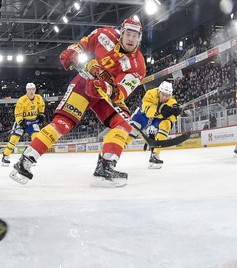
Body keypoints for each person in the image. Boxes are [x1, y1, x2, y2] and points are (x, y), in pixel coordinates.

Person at [10, 17, 146, 187]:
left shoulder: (138, 65)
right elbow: (86, 43)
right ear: (122, 33)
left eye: (135, 36)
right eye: (128, 34)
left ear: (139, 38)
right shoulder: (105, 34)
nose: (131, 39)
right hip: (83, 82)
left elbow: (120, 93)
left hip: (104, 94)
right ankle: (25, 162)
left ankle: (105, 168)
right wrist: (74, 50)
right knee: (62, 123)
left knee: (124, 125)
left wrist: (104, 86)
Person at [125, 81, 181, 169]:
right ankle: (114, 152)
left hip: (157, 118)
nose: (165, 97)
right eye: (163, 94)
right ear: (159, 91)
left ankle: (155, 155)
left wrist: (175, 113)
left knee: (166, 124)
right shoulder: (150, 93)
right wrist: (162, 110)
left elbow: (173, 118)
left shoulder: (171, 101)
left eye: (167, 95)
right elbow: (148, 111)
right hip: (142, 116)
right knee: (131, 132)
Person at [1, 82, 45, 166]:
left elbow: (41, 106)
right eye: (29, 90)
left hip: (33, 121)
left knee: (36, 139)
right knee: (14, 139)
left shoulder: (39, 98)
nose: (31, 91)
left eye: (33, 89)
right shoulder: (22, 100)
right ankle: (5, 156)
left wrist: (41, 114)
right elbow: (17, 113)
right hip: (22, 121)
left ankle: (30, 157)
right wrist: (21, 122)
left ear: (35, 90)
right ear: (26, 90)